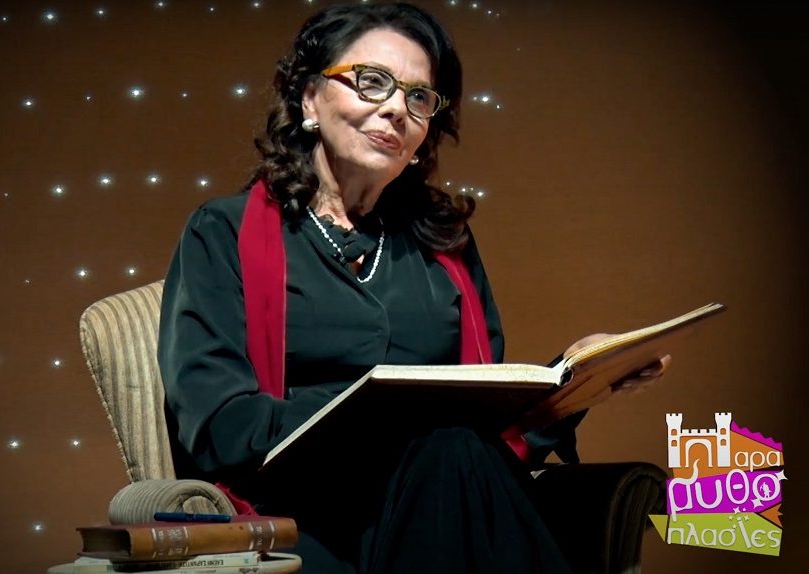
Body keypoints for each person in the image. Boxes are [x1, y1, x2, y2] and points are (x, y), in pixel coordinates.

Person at [157, 3, 669, 573]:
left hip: (446, 492)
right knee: (448, 450)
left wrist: (572, 379)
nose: (396, 108)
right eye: (371, 82)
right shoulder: (222, 232)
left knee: (453, 453)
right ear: (309, 99)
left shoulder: (444, 245)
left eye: (418, 97)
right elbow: (220, 426)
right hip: (308, 511)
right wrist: (379, 413)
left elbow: (490, 428)